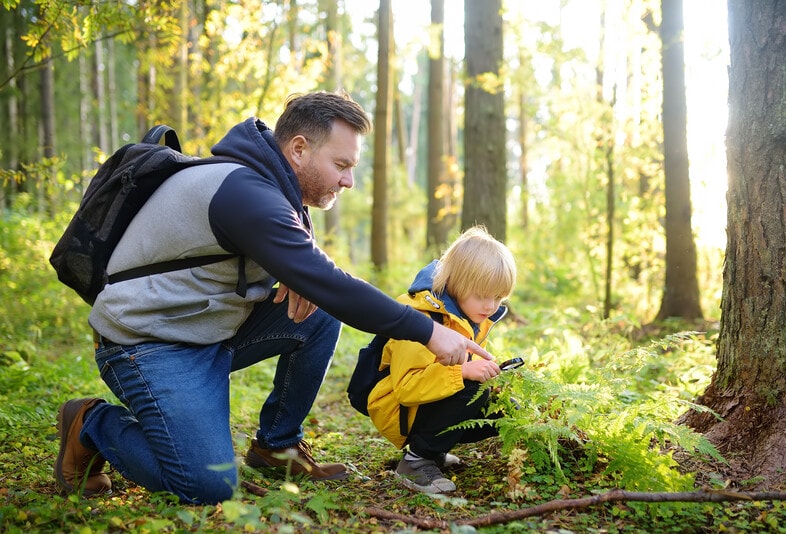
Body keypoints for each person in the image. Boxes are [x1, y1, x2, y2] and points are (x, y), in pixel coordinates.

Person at [53, 91, 493, 505]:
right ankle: (89, 422)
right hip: (148, 345)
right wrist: (427, 331)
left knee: (317, 314)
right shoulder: (245, 193)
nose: (349, 180)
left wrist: (304, 277)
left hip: (205, 329)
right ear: (299, 149)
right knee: (205, 485)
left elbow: (316, 277)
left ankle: (277, 446)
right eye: (341, 164)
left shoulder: (280, 190)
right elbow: (331, 280)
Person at [365, 226, 516, 494]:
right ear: (457, 283)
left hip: (424, 404)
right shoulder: (421, 319)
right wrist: (465, 372)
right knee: (470, 390)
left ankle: (433, 451)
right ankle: (416, 462)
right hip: (395, 410)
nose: (491, 306)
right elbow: (406, 389)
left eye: (498, 297)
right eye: (482, 296)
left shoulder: (472, 317)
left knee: (503, 406)